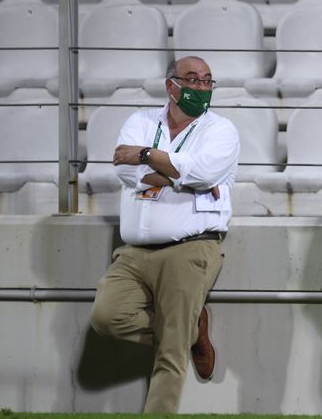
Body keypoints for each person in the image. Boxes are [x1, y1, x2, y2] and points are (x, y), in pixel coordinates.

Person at [90, 56, 240, 413]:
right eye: (192, 79)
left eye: (207, 81)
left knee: (170, 351)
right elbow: (126, 173)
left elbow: (203, 173)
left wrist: (146, 156)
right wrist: (179, 175)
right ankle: (192, 327)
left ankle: (180, 335)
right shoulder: (139, 120)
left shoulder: (221, 129)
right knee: (107, 318)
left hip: (190, 248)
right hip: (134, 251)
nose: (201, 88)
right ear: (171, 85)